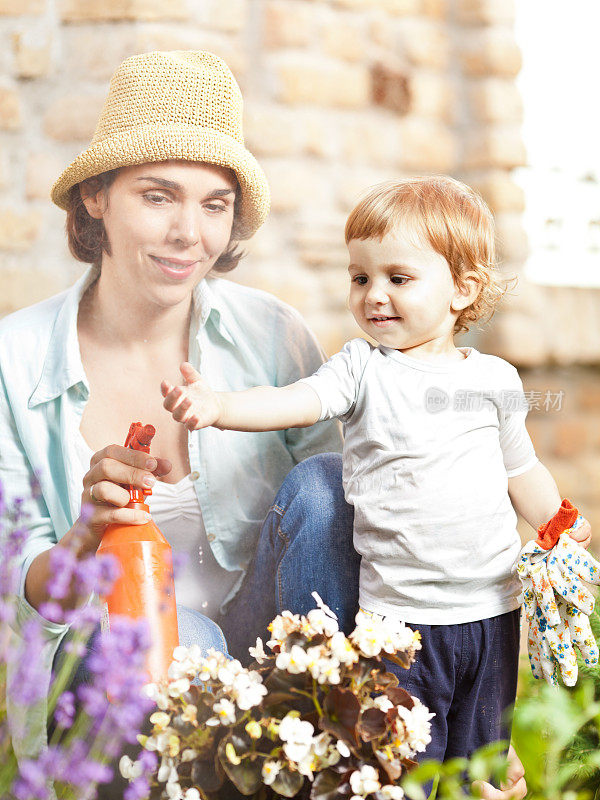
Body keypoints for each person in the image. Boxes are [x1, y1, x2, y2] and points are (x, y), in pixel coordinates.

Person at [162, 175, 593, 766]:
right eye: (360, 277)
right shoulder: (363, 369)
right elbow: (296, 400)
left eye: (398, 278)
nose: (373, 294)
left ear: (462, 290)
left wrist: (557, 522)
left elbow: (521, 468)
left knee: (482, 765)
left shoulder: (492, 380)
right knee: (401, 763)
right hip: (399, 623)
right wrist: (221, 408)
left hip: (493, 610)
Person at [0, 50, 345, 762]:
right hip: (115, 673)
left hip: (275, 662)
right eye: (157, 196)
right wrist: (86, 535)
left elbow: (356, 532)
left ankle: (340, 723)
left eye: (214, 204)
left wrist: (463, 718)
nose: (190, 233)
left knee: (330, 484)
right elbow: (26, 591)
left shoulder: (274, 336)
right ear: (96, 197)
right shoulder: (13, 360)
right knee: (185, 637)